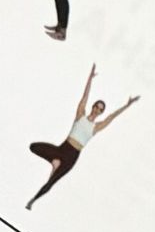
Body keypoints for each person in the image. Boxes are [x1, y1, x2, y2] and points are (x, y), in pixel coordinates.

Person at [26, 65, 138, 207]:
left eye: (100, 110)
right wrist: (90, 79)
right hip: (63, 149)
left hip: (72, 156)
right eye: (96, 107)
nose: (97, 110)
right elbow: (84, 97)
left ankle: (32, 201)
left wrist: (127, 105)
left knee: (51, 182)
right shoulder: (81, 116)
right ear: (93, 106)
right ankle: (54, 161)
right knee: (33, 146)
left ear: (101, 113)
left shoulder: (96, 127)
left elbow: (111, 117)